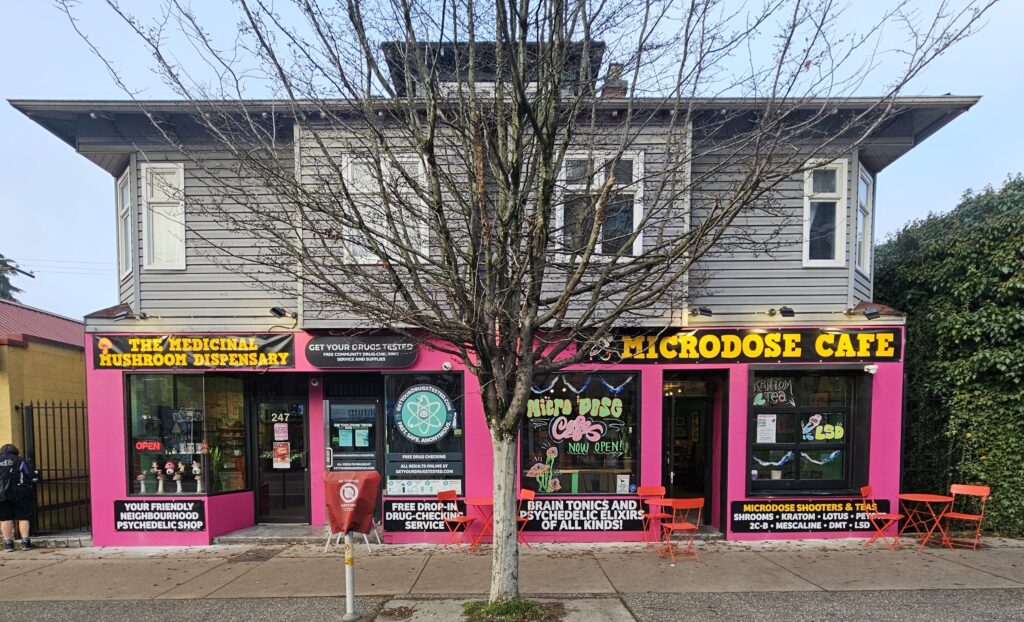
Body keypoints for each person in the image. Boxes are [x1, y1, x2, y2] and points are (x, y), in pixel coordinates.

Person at [0, 444, 37, 551]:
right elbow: (28, 474)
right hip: (20, 492)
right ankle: (25, 542)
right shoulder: (20, 460)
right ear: (15, 451)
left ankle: (8, 544)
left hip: (2, 494)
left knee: (5, 518)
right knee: (23, 517)